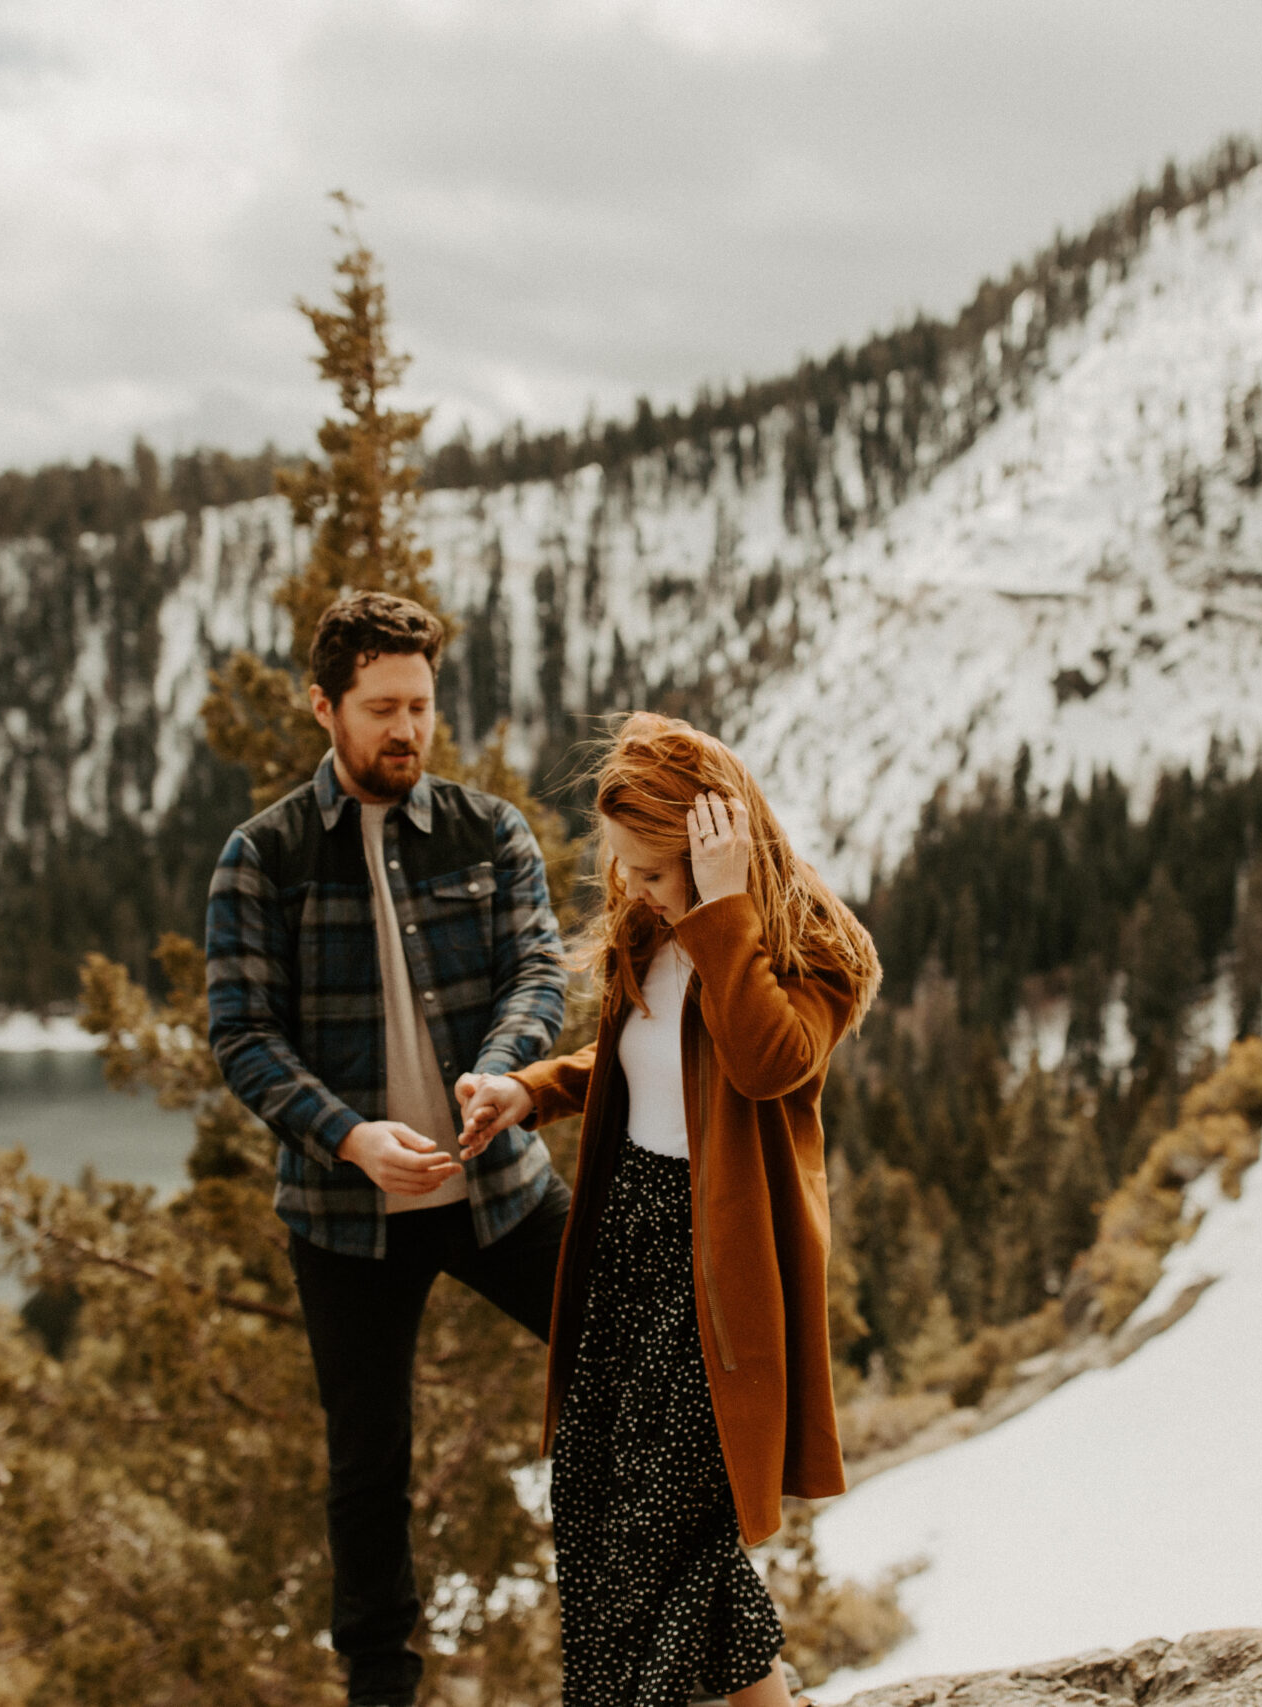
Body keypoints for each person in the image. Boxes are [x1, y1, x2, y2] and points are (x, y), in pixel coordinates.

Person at [456, 712, 883, 1707]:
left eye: (652, 871)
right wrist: (535, 1089)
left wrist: (723, 910)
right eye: (628, 871)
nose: (633, 890)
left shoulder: (818, 950)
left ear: (714, 846)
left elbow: (766, 1062)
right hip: (625, 1245)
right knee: (600, 1504)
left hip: (719, 1270)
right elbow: (643, 1064)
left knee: (648, 1536)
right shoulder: (653, 925)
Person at [206, 590, 571, 1707]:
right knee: (368, 1469)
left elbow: (538, 976)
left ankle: (670, 1620)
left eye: (420, 705)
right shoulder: (262, 857)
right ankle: (383, 1690)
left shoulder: (488, 829)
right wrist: (351, 1138)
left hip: (499, 1189)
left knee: (631, 1365)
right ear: (325, 708)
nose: (407, 729)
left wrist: (505, 1075)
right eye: (381, 708)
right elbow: (244, 1037)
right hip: (345, 1216)